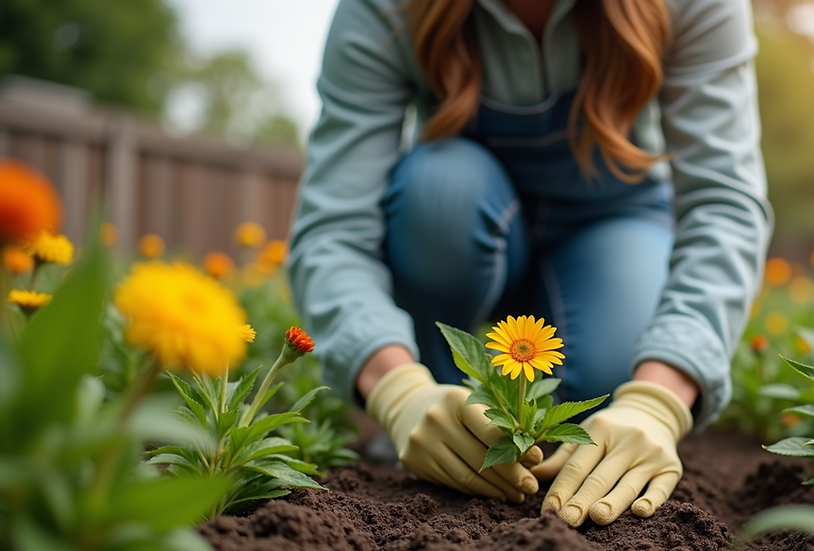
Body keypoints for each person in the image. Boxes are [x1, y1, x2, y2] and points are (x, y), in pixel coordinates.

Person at [288, 0, 772, 528]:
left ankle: (538, 426)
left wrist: (659, 396)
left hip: (612, 218)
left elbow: (724, 204)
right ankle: (442, 412)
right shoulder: (383, 9)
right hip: (464, 211)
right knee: (440, 196)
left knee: (613, 381)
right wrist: (396, 388)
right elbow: (333, 229)